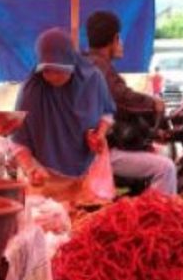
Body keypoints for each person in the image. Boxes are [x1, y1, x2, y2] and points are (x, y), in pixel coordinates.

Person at [84, 10, 178, 195]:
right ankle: (161, 222)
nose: (121, 44)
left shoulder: (88, 63)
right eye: (120, 39)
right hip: (99, 153)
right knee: (166, 168)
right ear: (115, 38)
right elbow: (121, 98)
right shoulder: (99, 67)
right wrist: (153, 103)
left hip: (93, 147)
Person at [9, 28, 114, 189]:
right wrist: (31, 169)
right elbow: (18, 140)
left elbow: (106, 113)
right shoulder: (31, 91)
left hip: (91, 173)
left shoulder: (93, 79)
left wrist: (99, 133)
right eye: (47, 70)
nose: (53, 76)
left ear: (71, 62)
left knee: (91, 212)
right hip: (45, 178)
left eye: (60, 70)